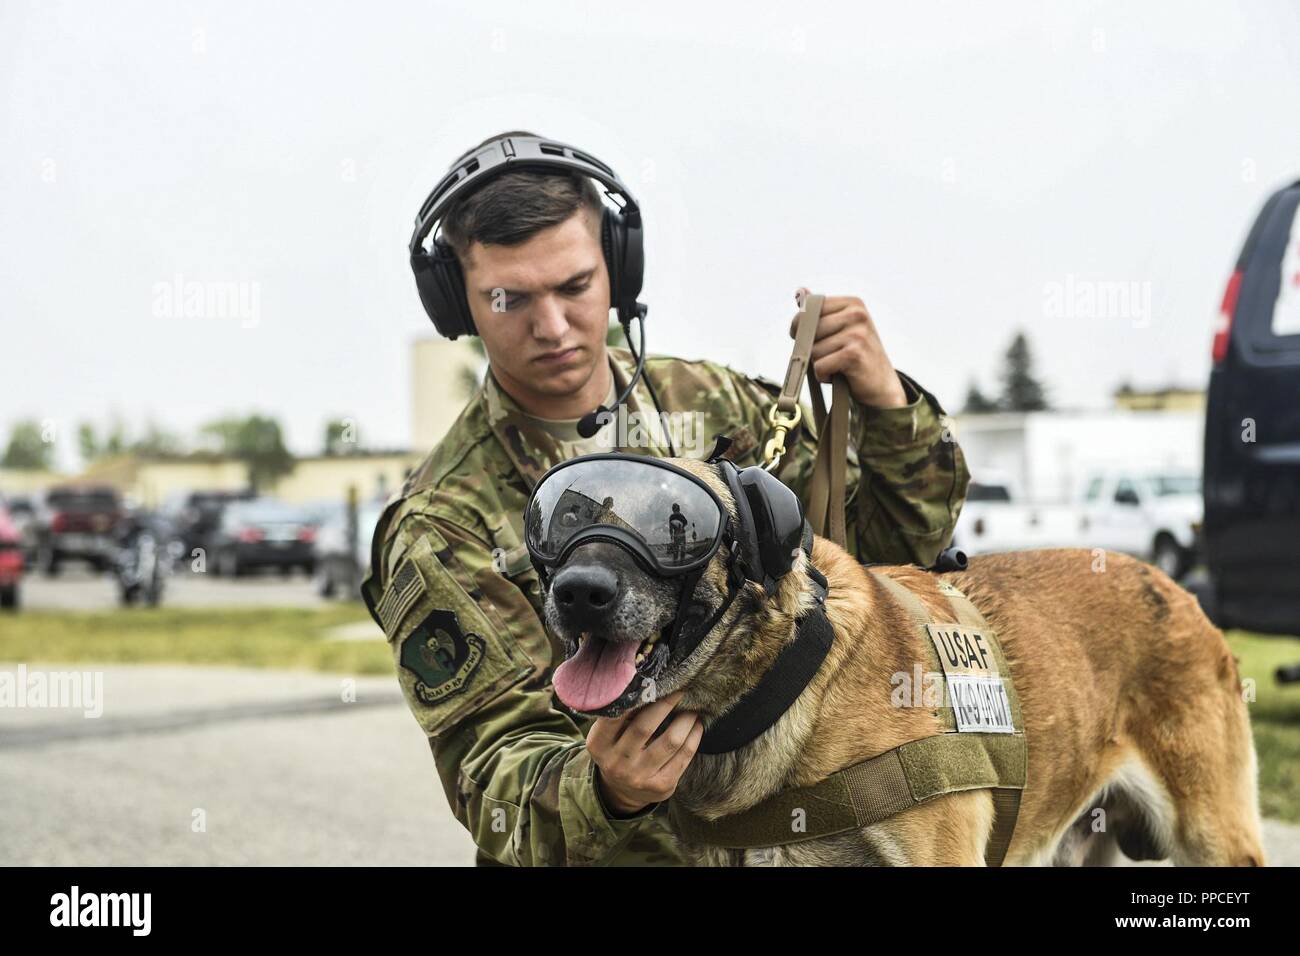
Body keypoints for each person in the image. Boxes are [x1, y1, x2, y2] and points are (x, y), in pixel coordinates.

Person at [362, 131, 971, 866]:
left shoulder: (715, 411)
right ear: (454, 302)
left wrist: (887, 405)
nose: (551, 326)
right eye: (510, 299)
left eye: (575, 287)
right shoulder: (442, 523)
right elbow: (494, 788)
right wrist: (605, 790)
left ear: (617, 267)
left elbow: (888, 560)